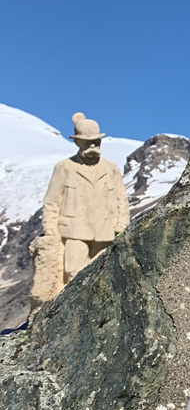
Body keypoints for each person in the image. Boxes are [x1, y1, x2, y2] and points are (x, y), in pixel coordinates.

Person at [41, 112, 129, 284]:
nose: (93, 145)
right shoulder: (65, 167)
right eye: (88, 142)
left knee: (102, 276)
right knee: (74, 275)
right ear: (77, 142)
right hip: (74, 231)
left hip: (105, 231)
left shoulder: (111, 168)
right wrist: (50, 229)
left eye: (96, 141)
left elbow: (121, 199)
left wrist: (122, 223)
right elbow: (51, 201)